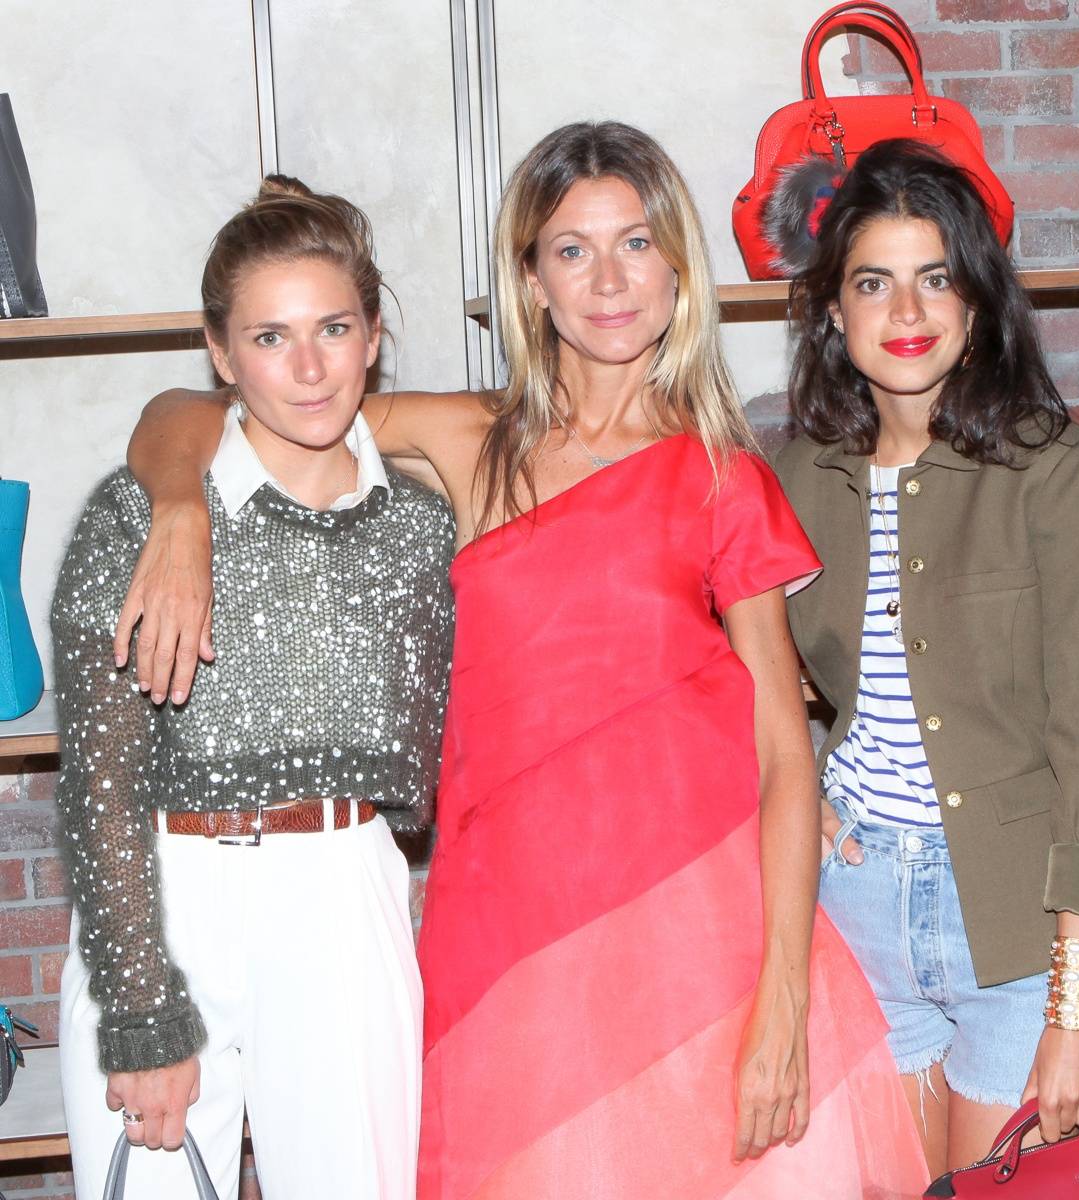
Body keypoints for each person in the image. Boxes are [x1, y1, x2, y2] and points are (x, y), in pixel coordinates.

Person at [115, 123, 929, 1198]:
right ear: (532, 281)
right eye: (572, 250)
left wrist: (783, 999)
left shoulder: (722, 476)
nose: (609, 282)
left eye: (635, 244)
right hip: (509, 931)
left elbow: (786, 752)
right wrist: (180, 512)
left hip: (699, 935)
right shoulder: (467, 439)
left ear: (677, 269)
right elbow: (189, 410)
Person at [771, 138, 1079, 1177]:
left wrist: (1077, 1005)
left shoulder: (1060, 471)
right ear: (833, 309)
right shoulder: (798, 475)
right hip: (855, 901)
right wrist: (791, 789)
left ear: (977, 300)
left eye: (936, 277)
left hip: (1017, 919)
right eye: (874, 282)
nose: (907, 311)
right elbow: (730, 662)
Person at [52, 176, 454, 1200]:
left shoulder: (422, 532)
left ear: (373, 337)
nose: (309, 368)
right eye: (271, 338)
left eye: (334, 329)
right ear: (222, 356)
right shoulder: (136, 519)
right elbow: (99, 784)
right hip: (162, 900)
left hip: (344, 895)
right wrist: (142, 1012)